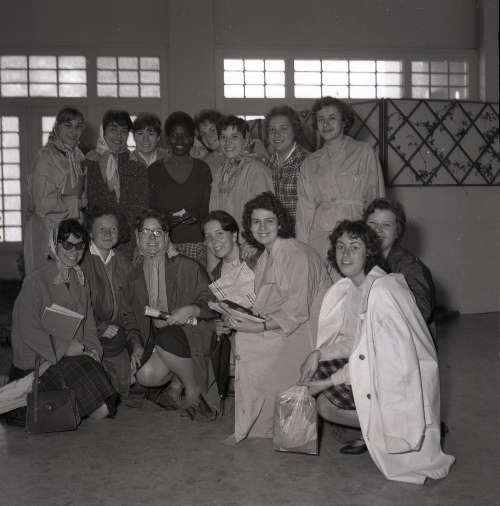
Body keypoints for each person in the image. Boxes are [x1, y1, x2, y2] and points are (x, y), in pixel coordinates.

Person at [299, 220, 454, 484]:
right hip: (376, 370)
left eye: (354, 247)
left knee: (325, 405)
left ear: (369, 251)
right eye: (340, 246)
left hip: (396, 382)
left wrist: (327, 382)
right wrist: (318, 354)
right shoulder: (354, 287)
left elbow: (372, 359)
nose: (345, 254)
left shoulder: (381, 291)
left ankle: (413, 428)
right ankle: (388, 427)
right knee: (314, 371)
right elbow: (353, 343)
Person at [224, 192, 331, 444]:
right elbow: (266, 302)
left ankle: (281, 429)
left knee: (251, 343)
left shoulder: (295, 253)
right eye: (256, 222)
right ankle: (260, 425)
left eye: (269, 221)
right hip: (288, 325)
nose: (262, 228)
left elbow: (297, 312)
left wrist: (258, 326)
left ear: (280, 223)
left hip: (308, 333)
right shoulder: (267, 255)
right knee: (244, 339)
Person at [8, 219, 117, 425]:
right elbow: (27, 330)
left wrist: (94, 350)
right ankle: (43, 406)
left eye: (79, 246)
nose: (74, 252)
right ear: (54, 245)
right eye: (67, 245)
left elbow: (88, 324)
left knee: (102, 407)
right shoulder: (35, 282)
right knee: (99, 404)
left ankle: (64, 404)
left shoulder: (80, 280)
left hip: (68, 358)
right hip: (36, 364)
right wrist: (65, 348)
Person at [125, 210, 216, 419]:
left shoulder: (187, 266)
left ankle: (193, 391)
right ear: (138, 238)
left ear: (167, 238)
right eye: (146, 232)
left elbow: (212, 302)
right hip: (159, 340)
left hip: (193, 332)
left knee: (167, 338)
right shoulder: (133, 277)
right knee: (145, 376)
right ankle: (178, 378)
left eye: (158, 232)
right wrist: (136, 344)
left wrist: (192, 309)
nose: (152, 237)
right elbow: (129, 317)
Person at [296, 96, 385, 261]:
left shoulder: (364, 152)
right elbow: (304, 212)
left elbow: (376, 201)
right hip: (320, 237)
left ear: (344, 121)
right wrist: (302, 252)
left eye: (332, 118)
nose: (326, 124)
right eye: (321, 119)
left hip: (355, 233)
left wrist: (375, 245)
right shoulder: (309, 162)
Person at [81, 208, 143, 398]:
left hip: (119, 331)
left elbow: (130, 307)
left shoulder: (123, 262)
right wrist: (99, 328)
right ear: (90, 233)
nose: (108, 234)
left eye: (113, 229)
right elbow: (76, 308)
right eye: (102, 229)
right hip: (91, 331)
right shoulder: (81, 262)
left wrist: (135, 341)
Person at [24, 107, 86, 274]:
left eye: (78, 126)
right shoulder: (46, 158)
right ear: (57, 127)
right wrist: (77, 203)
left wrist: (83, 198)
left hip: (68, 229)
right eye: (68, 125)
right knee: (49, 280)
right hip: (48, 230)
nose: (74, 131)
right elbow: (43, 203)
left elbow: (75, 188)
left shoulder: (76, 156)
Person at [148, 111, 211, 265]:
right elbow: (149, 210)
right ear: (167, 138)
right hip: (163, 244)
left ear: (193, 138)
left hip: (197, 243)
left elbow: (208, 209)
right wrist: (163, 220)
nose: (180, 140)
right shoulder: (154, 170)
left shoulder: (202, 169)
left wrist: (197, 216)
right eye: (174, 135)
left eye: (186, 135)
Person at [85, 109, 148, 256]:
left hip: (127, 241)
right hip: (97, 238)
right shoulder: (90, 161)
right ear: (103, 131)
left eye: (124, 131)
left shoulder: (137, 164)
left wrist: (118, 232)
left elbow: (140, 206)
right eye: (113, 129)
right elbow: (88, 203)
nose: (119, 136)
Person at [363, 198, 436, 324]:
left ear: (397, 232)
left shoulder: (410, 265)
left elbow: (422, 311)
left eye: (386, 225)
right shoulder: (364, 260)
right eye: (372, 223)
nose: (377, 229)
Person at [265, 106, 309, 229]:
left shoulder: (307, 163)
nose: (276, 134)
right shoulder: (268, 165)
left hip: (299, 233)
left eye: (283, 129)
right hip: (273, 233)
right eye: (272, 130)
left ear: (295, 131)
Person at [193, 109, 225, 178]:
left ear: (222, 129)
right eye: (203, 134)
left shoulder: (240, 157)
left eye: (212, 130)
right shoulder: (205, 164)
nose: (208, 137)